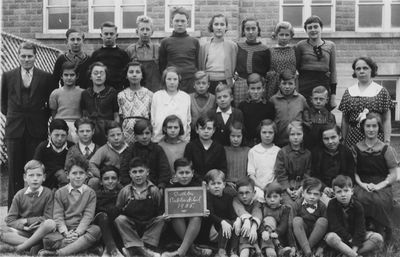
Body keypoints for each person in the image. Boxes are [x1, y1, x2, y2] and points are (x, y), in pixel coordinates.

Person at [1, 42, 55, 207]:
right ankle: (13, 211)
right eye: (23, 56)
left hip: (36, 131)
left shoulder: (45, 77)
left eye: (29, 56)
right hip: (14, 131)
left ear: (35, 56)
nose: (26, 59)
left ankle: (36, 209)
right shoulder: (8, 76)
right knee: (14, 173)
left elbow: (50, 105)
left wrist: (38, 118)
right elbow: (3, 104)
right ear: (18, 56)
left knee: (36, 173)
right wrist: (16, 117)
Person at [40, 156, 101, 256]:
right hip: (65, 231)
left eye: (81, 173)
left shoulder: (90, 193)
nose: (78, 176)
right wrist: (65, 233)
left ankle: (58, 253)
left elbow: (88, 216)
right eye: (74, 173)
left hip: (82, 230)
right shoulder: (60, 192)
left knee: (96, 230)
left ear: (86, 175)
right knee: (47, 239)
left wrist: (77, 233)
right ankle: (82, 246)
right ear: (68, 175)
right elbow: (58, 215)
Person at [352, 112, 398, 241]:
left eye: (374, 126)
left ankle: (382, 231)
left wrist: (379, 185)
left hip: (382, 184)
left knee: (379, 201)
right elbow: (354, 172)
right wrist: (362, 184)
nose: (371, 129)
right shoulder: (356, 148)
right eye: (368, 126)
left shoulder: (386, 149)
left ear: (379, 127)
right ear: (363, 127)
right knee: (359, 199)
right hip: (362, 183)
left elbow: (394, 174)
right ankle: (362, 232)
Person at [0, 160, 55, 255]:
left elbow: (48, 217)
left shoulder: (48, 193)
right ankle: (33, 245)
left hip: (40, 231)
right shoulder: (19, 195)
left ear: (44, 177)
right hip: (24, 231)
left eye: (39, 175)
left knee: (50, 224)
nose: (35, 179)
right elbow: (9, 220)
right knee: (1, 230)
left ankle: (20, 247)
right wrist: (24, 227)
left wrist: (26, 221)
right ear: (25, 177)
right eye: (31, 175)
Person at [339, 56, 394, 148]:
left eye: (365, 68)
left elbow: (386, 119)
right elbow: (345, 120)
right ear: (355, 72)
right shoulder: (349, 92)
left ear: (371, 70)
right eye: (358, 69)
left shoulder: (381, 91)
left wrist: (387, 141)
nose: (361, 71)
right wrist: (343, 140)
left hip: (375, 137)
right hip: (353, 138)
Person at [115, 157, 164, 257]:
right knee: (120, 219)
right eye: (134, 172)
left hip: (149, 225)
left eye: (141, 171)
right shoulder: (125, 191)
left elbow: (159, 209)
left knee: (162, 219)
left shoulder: (154, 190)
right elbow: (118, 209)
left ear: (147, 172)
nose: (138, 175)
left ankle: (138, 248)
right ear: (130, 174)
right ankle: (142, 249)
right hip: (132, 226)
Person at [161, 158, 210, 257]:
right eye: (181, 173)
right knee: (176, 215)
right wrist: (165, 215)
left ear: (192, 173)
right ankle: (192, 249)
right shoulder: (170, 188)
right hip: (177, 225)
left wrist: (205, 211)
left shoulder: (199, 186)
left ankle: (181, 251)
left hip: (198, 224)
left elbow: (207, 206)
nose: (184, 176)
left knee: (196, 217)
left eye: (187, 172)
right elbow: (164, 208)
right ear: (175, 174)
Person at [325, 175, 383, 257]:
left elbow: (360, 228)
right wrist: (349, 239)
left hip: (355, 236)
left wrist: (355, 246)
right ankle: (354, 255)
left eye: (346, 191)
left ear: (352, 191)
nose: (343, 194)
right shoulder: (332, 204)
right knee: (330, 238)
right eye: (339, 192)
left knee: (378, 238)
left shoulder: (357, 206)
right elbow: (335, 226)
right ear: (334, 193)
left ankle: (346, 254)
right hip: (341, 237)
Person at [296, 15, 337, 110]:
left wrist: (333, 96)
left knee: (323, 115)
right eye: (309, 28)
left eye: (315, 27)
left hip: (323, 84)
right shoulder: (300, 45)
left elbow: (333, 71)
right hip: (305, 85)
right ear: (306, 30)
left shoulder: (330, 46)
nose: (313, 30)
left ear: (321, 28)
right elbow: (296, 70)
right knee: (305, 115)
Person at [311, 124, 355, 205]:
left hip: (342, 187)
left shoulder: (346, 152)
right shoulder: (316, 153)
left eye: (333, 137)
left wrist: (340, 189)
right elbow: (314, 174)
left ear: (340, 136)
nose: (330, 142)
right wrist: (323, 188)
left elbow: (350, 174)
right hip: (322, 188)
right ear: (322, 139)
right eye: (326, 139)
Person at [120, 119, 171, 189]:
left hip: (155, 187)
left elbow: (164, 170)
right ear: (135, 136)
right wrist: (130, 187)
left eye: (147, 133)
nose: (144, 137)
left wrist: (161, 185)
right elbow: (124, 171)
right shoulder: (130, 150)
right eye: (141, 134)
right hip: (134, 188)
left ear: (151, 134)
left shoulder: (158, 149)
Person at [159, 7, 199, 93]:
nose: (180, 24)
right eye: (177, 21)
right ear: (171, 22)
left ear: (187, 23)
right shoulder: (165, 42)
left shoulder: (194, 42)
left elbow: (198, 64)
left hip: (191, 82)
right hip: (172, 82)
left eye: (183, 21)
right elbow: (162, 66)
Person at [81, 61, 119, 145]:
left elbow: (116, 115)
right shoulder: (85, 93)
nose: (98, 76)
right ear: (90, 76)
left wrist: (115, 129)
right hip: (90, 131)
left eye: (102, 73)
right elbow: (84, 115)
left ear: (106, 76)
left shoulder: (112, 92)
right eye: (95, 73)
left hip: (107, 131)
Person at [234, 17, 270, 107]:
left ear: (258, 30)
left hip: (258, 86)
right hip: (241, 84)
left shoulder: (265, 49)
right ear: (243, 31)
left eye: (253, 29)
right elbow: (233, 64)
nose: (250, 32)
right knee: (241, 109)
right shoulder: (238, 47)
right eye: (247, 29)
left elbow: (268, 68)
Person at [275, 121, 311, 207]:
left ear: (303, 135)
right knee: (289, 206)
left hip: (302, 187)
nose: (295, 137)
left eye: (299, 134)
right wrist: (288, 190)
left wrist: (300, 190)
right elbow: (281, 174)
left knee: (305, 204)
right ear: (288, 136)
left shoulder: (307, 154)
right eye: (292, 134)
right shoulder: (282, 152)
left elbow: (307, 174)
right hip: (287, 188)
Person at [151, 66, 191, 143]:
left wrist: (186, 139)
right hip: (160, 139)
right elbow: (153, 119)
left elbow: (188, 120)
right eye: (169, 79)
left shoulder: (185, 97)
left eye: (175, 79)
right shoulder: (157, 96)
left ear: (179, 80)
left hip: (180, 140)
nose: (172, 82)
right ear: (164, 80)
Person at [203, 169, 238, 257]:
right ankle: (221, 251)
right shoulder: (208, 197)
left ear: (224, 185)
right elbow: (210, 214)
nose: (216, 186)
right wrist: (222, 222)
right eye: (213, 184)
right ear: (207, 186)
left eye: (219, 183)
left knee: (235, 222)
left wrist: (237, 221)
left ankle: (233, 251)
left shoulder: (228, 197)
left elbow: (232, 215)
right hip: (213, 229)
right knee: (227, 221)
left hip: (227, 228)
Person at [198, 14, 237, 93]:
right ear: (212, 26)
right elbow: (200, 66)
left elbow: (235, 66)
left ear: (226, 27)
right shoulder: (204, 47)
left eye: (222, 24)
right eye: (216, 24)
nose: (219, 27)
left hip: (225, 82)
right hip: (208, 83)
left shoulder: (232, 46)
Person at [270, 70, 309, 147]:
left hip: (297, 141)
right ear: (279, 84)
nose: (287, 87)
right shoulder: (273, 100)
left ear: (295, 85)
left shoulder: (301, 99)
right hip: (278, 141)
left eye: (290, 83)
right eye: (284, 83)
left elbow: (307, 121)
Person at [117, 61, 153, 144]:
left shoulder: (150, 94)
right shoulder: (121, 95)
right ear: (126, 75)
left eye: (137, 72)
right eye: (131, 72)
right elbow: (120, 118)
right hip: (126, 134)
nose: (134, 75)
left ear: (142, 75)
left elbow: (152, 117)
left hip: (144, 132)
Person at [49, 61, 84, 143]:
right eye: (66, 75)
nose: (69, 78)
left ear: (77, 76)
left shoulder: (82, 93)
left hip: (77, 126)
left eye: (72, 75)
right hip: (60, 125)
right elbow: (53, 112)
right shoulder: (55, 93)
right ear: (61, 76)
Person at [292, 178, 328, 257]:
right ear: (302, 193)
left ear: (320, 195)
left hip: (316, 238)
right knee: (296, 220)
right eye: (309, 193)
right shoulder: (297, 204)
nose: (312, 197)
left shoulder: (322, 207)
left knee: (323, 221)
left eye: (316, 194)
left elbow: (327, 229)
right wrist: (293, 246)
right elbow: (289, 226)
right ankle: (308, 252)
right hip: (300, 237)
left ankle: (305, 251)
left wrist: (321, 247)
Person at [89, 21, 130, 91]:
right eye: (106, 34)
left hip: (118, 90)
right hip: (100, 90)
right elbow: (91, 75)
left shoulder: (123, 54)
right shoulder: (96, 55)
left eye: (111, 34)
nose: (109, 36)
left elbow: (127, 74)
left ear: (116, 36)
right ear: (101, 36)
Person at [184, 115, 227, 180]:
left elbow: (223, 169)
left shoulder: (219, 148)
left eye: (209, 128)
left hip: (214, 182)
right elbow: (187, 167)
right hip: (195, 182)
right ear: (197, 130)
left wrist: (214, 179)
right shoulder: (190, 146)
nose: (206, 131)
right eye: (202, 128)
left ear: (214, 130)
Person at [88, 121, 129, 190]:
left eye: (118, 134)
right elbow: (91, 164)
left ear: (123, 134)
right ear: (107, 136)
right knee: (93, 181)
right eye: (112, 135)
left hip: (126, 179)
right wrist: (102, 176)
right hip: (110, 180)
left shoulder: (129, 149)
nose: (116, 138)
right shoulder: (104, 150)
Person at [94, 166, 124, 257]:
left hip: (116, 225)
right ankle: (113, 251)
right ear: (101, 181)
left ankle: (109, 249)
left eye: (113, 178)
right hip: (101, 224)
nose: (110, 181)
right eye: (106, 179)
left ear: (118, 180)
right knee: (103, 216)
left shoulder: (122, 193)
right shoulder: (96, 195)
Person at [126, 15, 161, 92]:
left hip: (155, 91)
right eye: (142, 29)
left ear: (152, 32)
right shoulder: (130, 50)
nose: (145, 32)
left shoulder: (159, 49)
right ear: (137, 31)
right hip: (136, 91)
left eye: (147, 29)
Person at [33, 119, 72, 189]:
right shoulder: (43, 147)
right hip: (46, 178)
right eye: (56, 135)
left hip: (65, 179)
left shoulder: (71, 147)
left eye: (63, 135)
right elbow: (36, 165)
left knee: (63, 175)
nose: (60, 139)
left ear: (67, 135)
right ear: (50, 134)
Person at [247, 119, 280, 202]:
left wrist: (271, 187)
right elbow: (251, 175)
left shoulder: (278, 151)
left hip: (274, 187)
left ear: (274, 133)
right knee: (258, 198)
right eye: (264, 132)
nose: (267, 135)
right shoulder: (253, 151)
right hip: (258, 187)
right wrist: (262, 187)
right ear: (260, 133)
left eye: (270, 132)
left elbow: (279, 174)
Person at [238, 73, 275, 146]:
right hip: (247, 143)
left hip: (264, 142)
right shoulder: (242, 106)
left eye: (258, 88)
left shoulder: (269, 106)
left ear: (263, 89)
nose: (256, 92)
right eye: (252, 89)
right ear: (248, 89)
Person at [260, 182, 295, 257]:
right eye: (269, 197)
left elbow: (284, 224)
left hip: (278, 236)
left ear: (281, 197)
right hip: (265, 237)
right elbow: (259, 222)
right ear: (264, 198)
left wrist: (277, 232)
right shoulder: (262, 207)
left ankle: (279, 250)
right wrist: (263, 231)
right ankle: (271, 249)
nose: (272, 200)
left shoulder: (285, 209)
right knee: (268, 220)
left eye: (275, 197)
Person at [231, 177, 262, 257]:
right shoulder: (236, 201)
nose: (244, 196)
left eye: (247, 193)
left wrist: (254, 227)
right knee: (238, 224)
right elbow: (240, 210)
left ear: (254, 193)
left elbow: (257, 213)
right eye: (241, 193)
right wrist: (246, 221)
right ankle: (235, 252)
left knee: (261, 224)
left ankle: (254, 249)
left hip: (252, 234)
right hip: (238, 234)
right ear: (237, 193)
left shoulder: (256, 203)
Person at [265, 21, 296, 100]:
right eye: (281, 34)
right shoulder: (270, 51)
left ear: (291, 36)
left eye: (287, 35)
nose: (284, 37)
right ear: (276, 35)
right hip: (274, 85)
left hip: (289, 85)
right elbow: (266, 69)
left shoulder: (294, 50)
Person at [303, 86, 336, 150]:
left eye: (321, 99)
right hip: (309, 148)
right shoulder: (306, 114)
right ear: (311, 99)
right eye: (315, 98)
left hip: (325, 150)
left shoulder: (330, 116)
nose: (318, 101)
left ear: (326, 100)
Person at [190, 71, 216, 140]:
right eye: (198, 83)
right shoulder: (188, 98)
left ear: (208, 85)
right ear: (194, 85)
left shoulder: (214, 99)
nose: (201, 86)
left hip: (209, 135)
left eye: (204, 83)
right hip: (192, 135)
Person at [224, 121, 250, 186]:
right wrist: (226, 182)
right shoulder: (224, 150)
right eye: (233, 136)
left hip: (244, 184)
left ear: (243, 136)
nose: (235, 139)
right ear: (228, 136)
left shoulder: (248, 151)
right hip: (227, 184)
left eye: (238, 136)